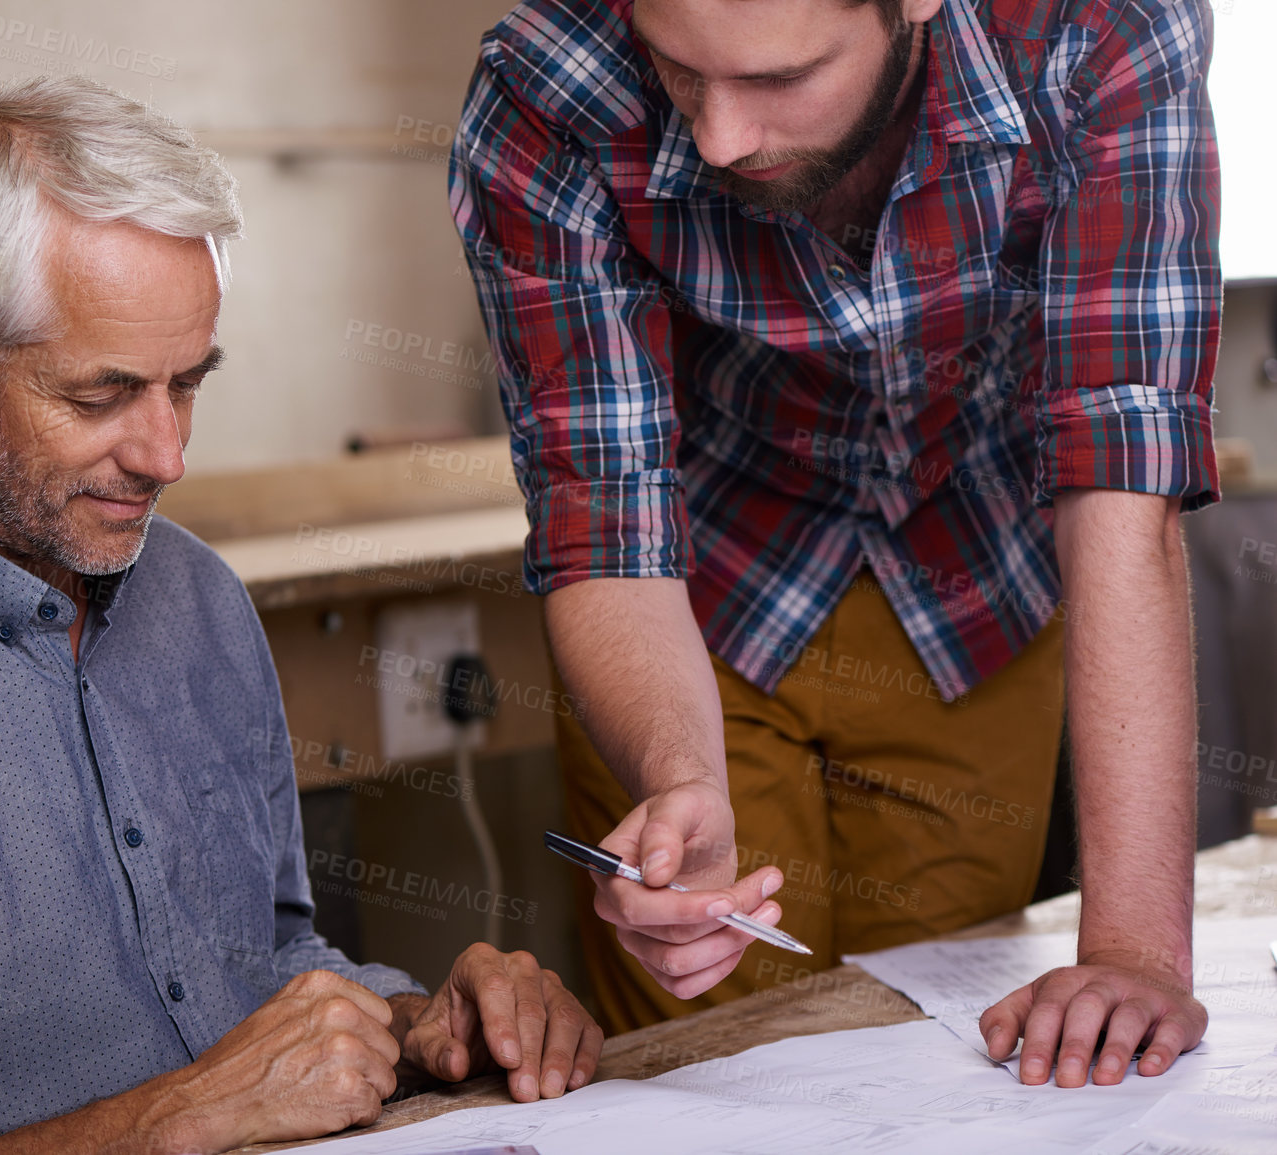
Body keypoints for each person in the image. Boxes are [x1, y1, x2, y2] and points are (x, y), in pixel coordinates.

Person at [0, 75, 602, 1155]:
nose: (167, 456)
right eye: (102, 396)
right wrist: (181, 1116)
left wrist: (419, 1027)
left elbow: (260, 959)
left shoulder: (198, 602)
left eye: (187, 384)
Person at [450, 0, 1217, 1089]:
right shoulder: (547, 84)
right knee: (720, 1066)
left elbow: (1121, 467)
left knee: (954, 1055)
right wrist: (679, 782)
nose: (716, 139)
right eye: (678, 71)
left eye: (778, 79)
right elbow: (603, 509)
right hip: (698, 605)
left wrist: (1137, 955)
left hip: (978, 591)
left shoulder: (1103, 27)